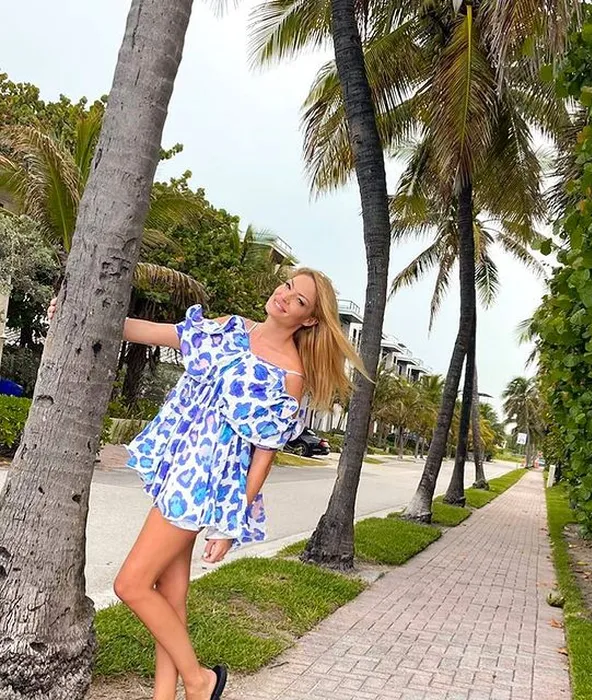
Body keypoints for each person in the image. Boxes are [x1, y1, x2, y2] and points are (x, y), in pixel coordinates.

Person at [48, 268, 365, 700]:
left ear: (308, 319)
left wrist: (230, 524)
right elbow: (160, 333)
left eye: (300, 300)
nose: (285, 296)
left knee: (131, 584)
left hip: (205, 481)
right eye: (288, 286)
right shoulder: (229, 328)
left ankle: (200, 681)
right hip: (178, 461)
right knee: (170, 593)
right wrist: (80, 315)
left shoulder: (290, 375)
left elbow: (264, 455)